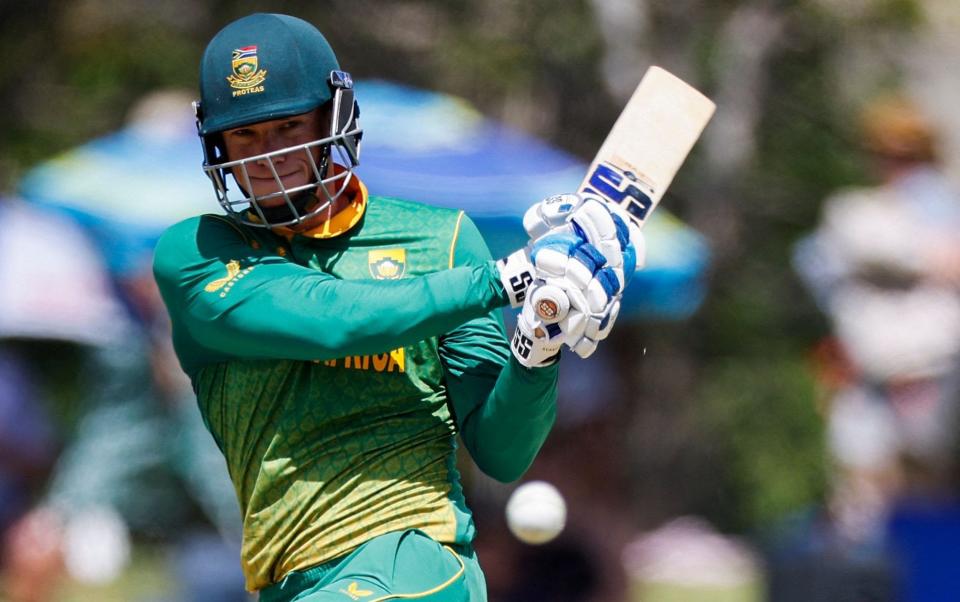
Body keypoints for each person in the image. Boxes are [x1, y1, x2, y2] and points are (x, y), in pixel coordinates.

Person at [152, 12, 641, 601]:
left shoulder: (444, 244)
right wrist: (506, 278)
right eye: (245, 136)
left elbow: (502, 451)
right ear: (216, 143)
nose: (267, 155)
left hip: (417, 567)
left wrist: (538, 346)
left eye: (287, 127)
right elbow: (332, 317)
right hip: (291, 581)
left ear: (332, 117)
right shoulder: (197, 255)